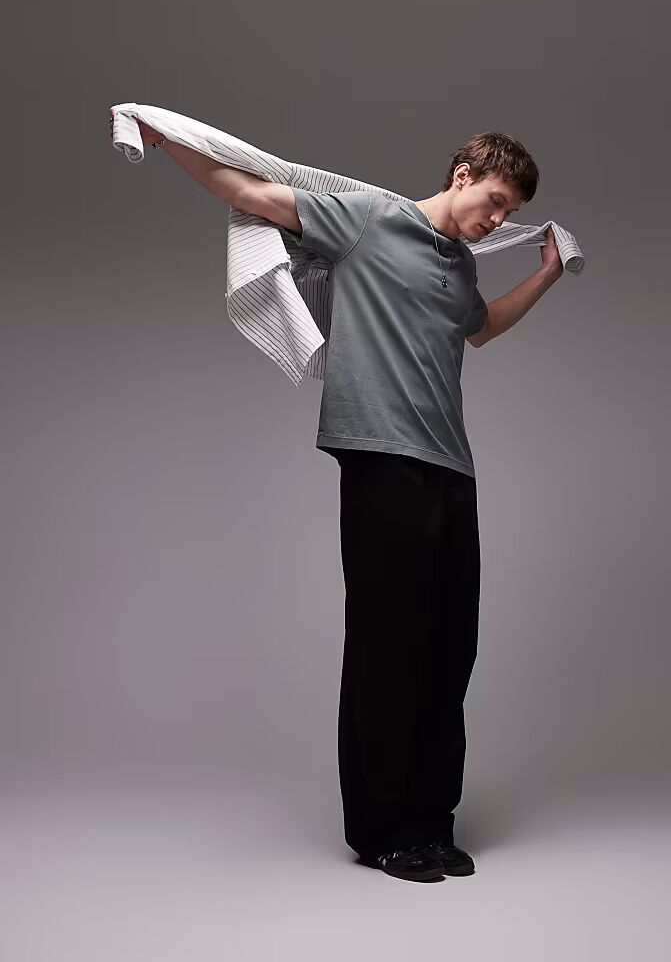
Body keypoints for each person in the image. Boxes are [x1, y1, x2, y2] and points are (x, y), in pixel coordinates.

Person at [110, 109, 564, 881]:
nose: (496, 220)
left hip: (452, 467)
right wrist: (167, 139)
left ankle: (431, 820)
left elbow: (482, 327)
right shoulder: (371, 220)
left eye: (508, 213)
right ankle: (382, 830)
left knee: (449, 649)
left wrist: (546, 273)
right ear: (462, 176)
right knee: (389, 644)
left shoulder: (461, 266)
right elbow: (250, 192)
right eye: (494, 202)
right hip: (380, 457)